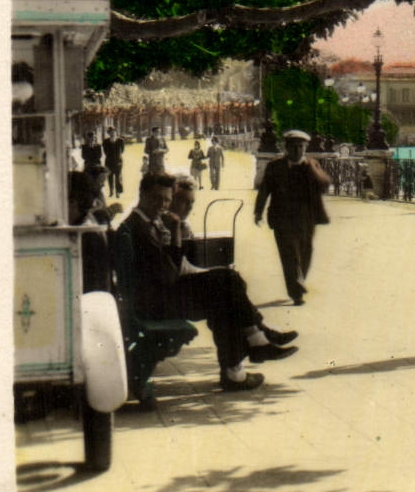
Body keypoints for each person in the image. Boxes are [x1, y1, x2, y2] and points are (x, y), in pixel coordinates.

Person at [119, 173, 297, 391]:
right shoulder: (140, 228)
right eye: (157, 198)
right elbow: (170, 275)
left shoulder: (144, 223)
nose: (162, 205)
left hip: (157, 297)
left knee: (226, 290)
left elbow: (167, 270)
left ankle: (245, 359)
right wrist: (175, 234)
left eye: (166, 200)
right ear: (142, 194)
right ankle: (252, 346)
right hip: (155, 304)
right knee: (227, 283)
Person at [253, 129, 331, 306]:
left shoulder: (312, 165)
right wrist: (258, 211)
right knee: (289, 254)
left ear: (305, 148)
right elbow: (265, 190)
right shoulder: (275, 166)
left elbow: (324, 184)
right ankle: (296, 291)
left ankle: (299, 281)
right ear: (286, 148)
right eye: (293, 147)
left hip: (306, 218)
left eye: (301, 147)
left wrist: (312, 169)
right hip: (282, 218)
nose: (297, 151)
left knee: (305, 252)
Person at [101, 126, 126, 197]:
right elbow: (105, 152)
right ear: (108, 133)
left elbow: (122, 150)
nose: (112, 133)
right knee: (110, 177)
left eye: (114, 131)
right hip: (109, 162)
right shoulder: (105, 141)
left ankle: (118, 192)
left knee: (118, 177)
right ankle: (111, 191)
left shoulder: (120, 141)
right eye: (110, 132)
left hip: (118, 161)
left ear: (116, 132)